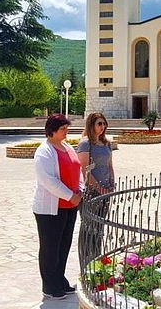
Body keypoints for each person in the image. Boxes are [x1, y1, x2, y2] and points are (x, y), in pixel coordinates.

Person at [33, 113, 83, 300]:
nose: (66, 132)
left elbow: (78, 171)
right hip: (51, 208)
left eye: (66, 128)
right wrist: (70, 196)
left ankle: (60, 280)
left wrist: (79, 191)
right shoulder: (44, 151)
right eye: (63, 129)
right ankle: (49, 285)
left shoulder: (67, 147)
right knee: (50, 247)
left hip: (70, 206)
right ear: (52, 130)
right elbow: (48, 181)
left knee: (63, 245)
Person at [77, 112, 115, 260]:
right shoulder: (85, 144)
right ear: (91, 125)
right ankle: (86, 259)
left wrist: (111, 183)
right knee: (89, 227)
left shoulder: (106, 143)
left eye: (104, 124)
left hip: (105, 190)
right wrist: (98, 188)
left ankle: (97, 256)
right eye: (99, 124)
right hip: (92, 191)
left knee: (99, 226)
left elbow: (110, 165)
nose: (103, 127)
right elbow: (84, 169)